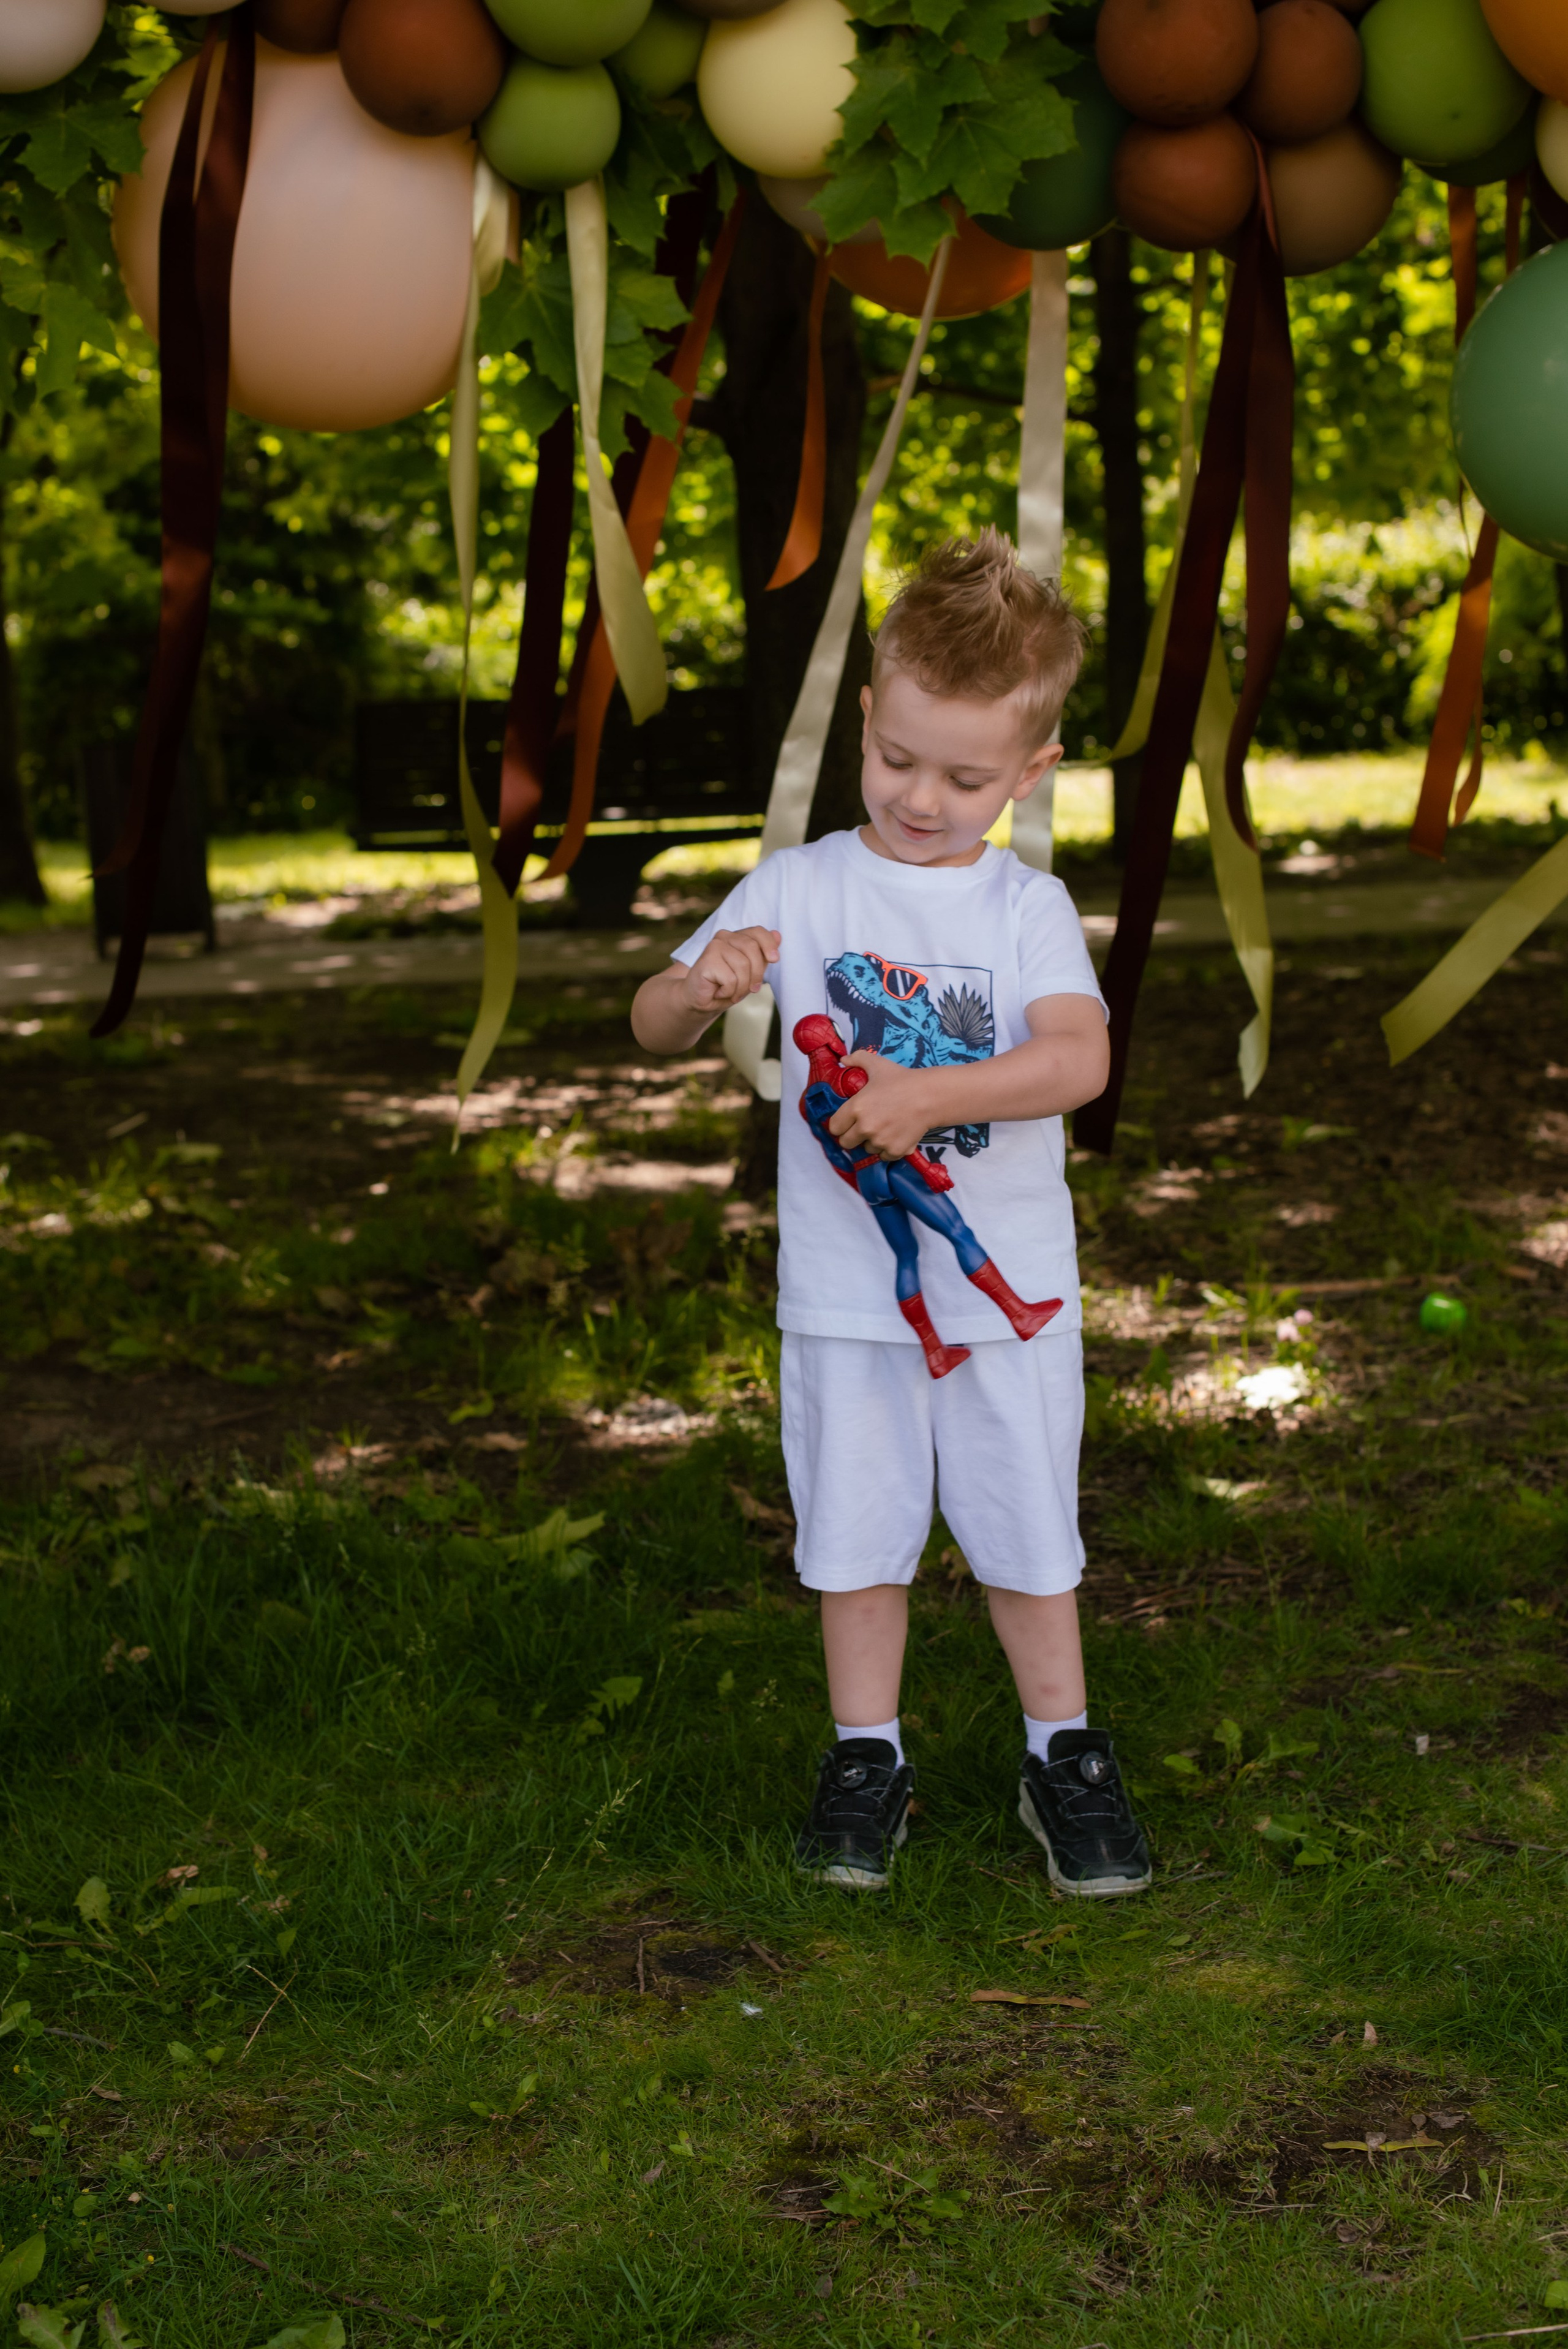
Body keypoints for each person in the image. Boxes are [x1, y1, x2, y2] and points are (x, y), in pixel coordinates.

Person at [630, 529, 1151, 1900]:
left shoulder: (1025, 907)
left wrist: (929, 1093)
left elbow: (1076, 1061)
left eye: (966, 776)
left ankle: (1065, 1752)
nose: (922, 798)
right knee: (855, 1534)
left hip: (1004, 1300)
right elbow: (647, 1023)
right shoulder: (799, 887)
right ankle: (867, 1756)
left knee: (1026, 1529)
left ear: (1028, 774)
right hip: (846, 1303)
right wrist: (697, 987)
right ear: (864, 717)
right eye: (898, 759)